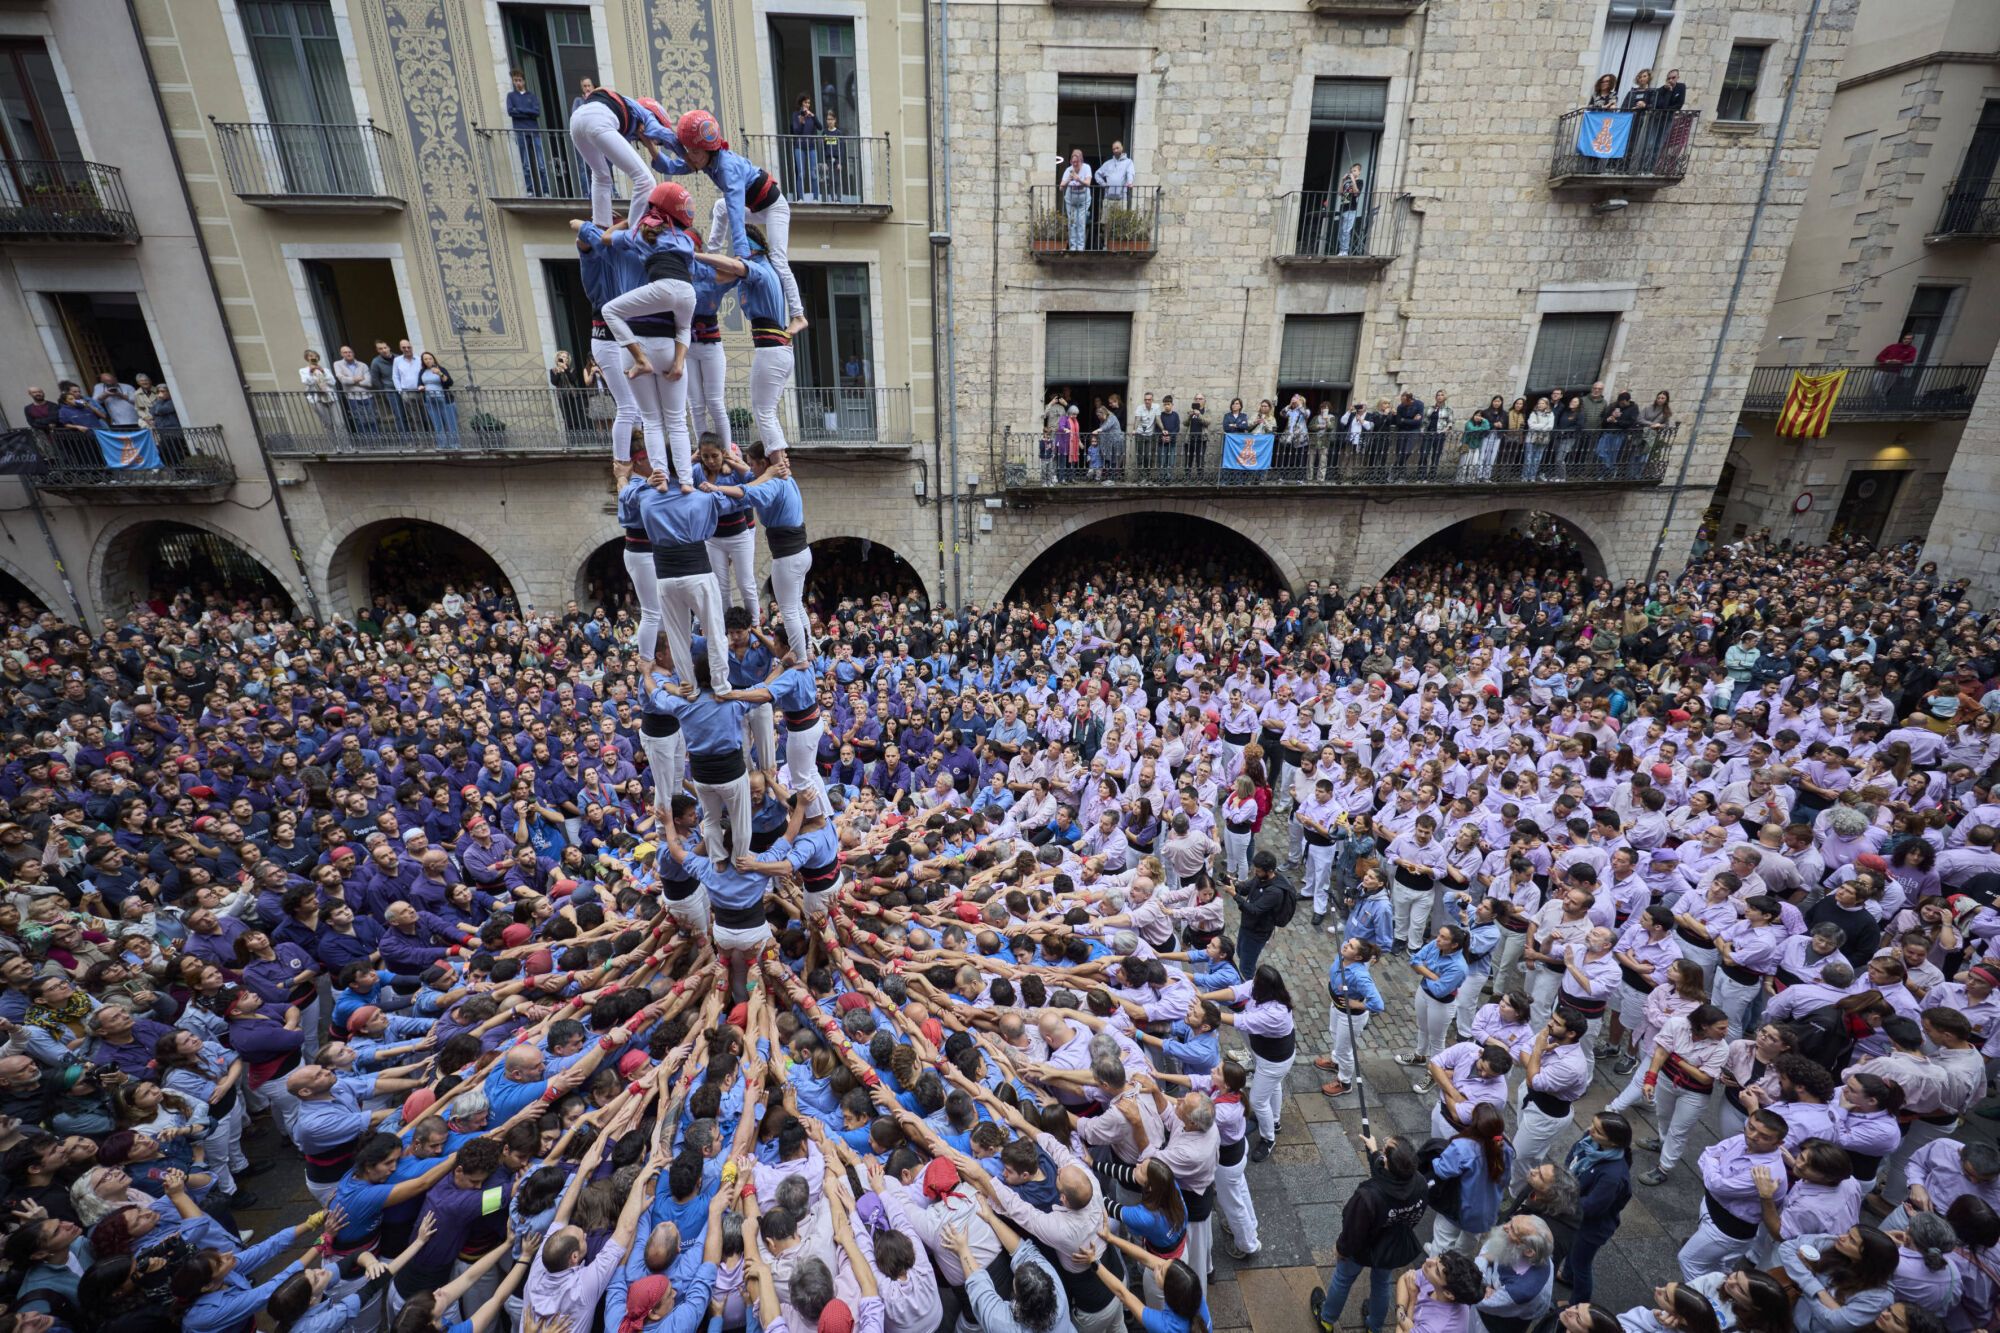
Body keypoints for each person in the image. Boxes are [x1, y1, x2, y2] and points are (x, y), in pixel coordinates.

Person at [661, 110, 807, 335]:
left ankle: (798, 315)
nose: (690, 156)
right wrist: (653, 141)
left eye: (694, 152)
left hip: (775, 208)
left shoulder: (728, 168)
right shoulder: (706, 160)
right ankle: (713, 252)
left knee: (778, 258)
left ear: (708, 149)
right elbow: (671, 166)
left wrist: (742, 254)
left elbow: (736, 215)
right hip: (756, 207)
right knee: (719, 207)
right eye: (689, 151)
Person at [1312, 1134, 1429, 1333]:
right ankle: (1374, 1327)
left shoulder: (1368, 1196)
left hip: (1362, 1248)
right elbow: (1389, 1180)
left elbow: (1353, 1229)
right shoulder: (1419, 1182)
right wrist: (1374, 1151)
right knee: (1382, 1284)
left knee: (1343, 1278)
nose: (1382, 1152)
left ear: (1388, 1165)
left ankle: (1327, 1319)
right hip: (1391, 1248)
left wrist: (1342, 1249)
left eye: (1385, 1151)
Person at [1559, 1112, 1633, 1305]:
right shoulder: (1589, 1140)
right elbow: (1573, 1154)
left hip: (1592, 1228)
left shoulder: (1612, 1176)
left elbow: (1592, 1207)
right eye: (1593, 1124)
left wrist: (1560, 1200)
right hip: (1577, 1216)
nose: (1590, 1130)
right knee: (1572, 1250)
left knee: (1580, 1264)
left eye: (1598, 1131)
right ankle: (1567, 1275)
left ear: (1614, 1143)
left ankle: (1578, 1302)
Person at [1428, 1102, 1513, 1257]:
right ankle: (1457, 1263)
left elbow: (1442, 1170)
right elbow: (1506, 1179)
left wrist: (1433, 1159)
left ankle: (1435, 1269)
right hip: (1486, 1211)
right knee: (1468, 1243)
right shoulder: (1505, 1147)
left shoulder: (1462, 1147)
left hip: (1459, 1207)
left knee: (1443, 1240)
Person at [506, 68, 549, 195]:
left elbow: (536, 112)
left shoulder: (532, 96)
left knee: (541, 163)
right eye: (515, 81)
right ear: (513, 82)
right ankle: (530, 190)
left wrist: (519, 110)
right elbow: (510, 111)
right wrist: (527, 111)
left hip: (534, 131)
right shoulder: (511, 96)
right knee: (526, 164)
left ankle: (545, 191)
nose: (518, 83)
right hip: (521, 132)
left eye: (519, 80)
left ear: (524, 81)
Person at [417, 352, 459, 450]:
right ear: (423, 361)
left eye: (430, 358)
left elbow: (450, 383)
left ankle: (455, 445)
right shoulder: (422, 372)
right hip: (430, 400)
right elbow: (419, 383)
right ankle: (442, 445)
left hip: (444, 399)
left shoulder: (441, 369)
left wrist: (439, 373)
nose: (428, 360)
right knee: (437, 424)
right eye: (425, 359)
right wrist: (420, 387)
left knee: (450, 423)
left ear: (434, 359)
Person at [788, 94, 822, 201]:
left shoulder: (811, 116)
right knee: (801, 173)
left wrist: (813, 116)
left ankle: (816, 198)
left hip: (811, 147)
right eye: (805, 102)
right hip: (799, 146)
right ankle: (801, 198)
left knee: (813, 173)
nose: (807, 105)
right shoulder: (796, 115)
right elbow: (796, 131)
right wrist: (801, 122)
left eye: (809, 103)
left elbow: (820, 127)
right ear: (801, 103)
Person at [1060, 148, 1094, 251]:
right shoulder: (1068, 170)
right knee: (1072, 223)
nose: (1074, 164)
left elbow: (1088, 183)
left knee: (1081, 223)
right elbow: (1061, 187)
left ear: (1081, 161)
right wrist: (1068, 180)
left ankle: (1080, 247)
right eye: (1072, 162)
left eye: (1077, 162)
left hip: (1083, 201)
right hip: (1071, 201)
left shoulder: (1086, 168)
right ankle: (1072, 247)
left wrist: (1078, 179)